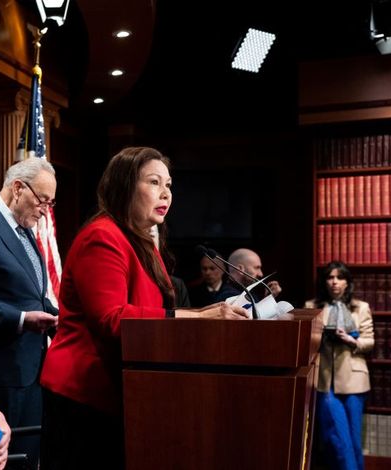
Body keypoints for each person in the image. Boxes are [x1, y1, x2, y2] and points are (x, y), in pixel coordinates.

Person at [39, 147, 248, 469]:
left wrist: (207, 313)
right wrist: (197, 316)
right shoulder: (102, 236)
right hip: (85, 394)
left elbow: (159, 309)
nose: (165, 193)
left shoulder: (141, 241)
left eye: (169, 185)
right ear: (124, 186)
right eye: (154, 182)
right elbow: (112, 318)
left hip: (123, 391)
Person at [0, 157, 59, 469]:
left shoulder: (24, 228)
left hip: (31, 370)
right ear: (17, 188)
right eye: (43, 200)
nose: (45, 211)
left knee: (29, 457)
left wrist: (61, 316)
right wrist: (20, 320)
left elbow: (30, 293)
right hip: (0, 376)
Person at [305, 261, 374, 470]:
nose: (334, 282)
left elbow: (369, 341)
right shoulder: (312, 306)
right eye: (330, 277)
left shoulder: (360, 307)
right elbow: (305, 343)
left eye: (340, 277)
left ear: (347, 282)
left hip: (354, 379)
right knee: (337, 437)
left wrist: (351, 340)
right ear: (325, 281)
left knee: (353, 439)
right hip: (325, 381)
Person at [216, 247, 283, 302]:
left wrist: (268, 297)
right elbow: (253, 317)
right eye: (257, 268)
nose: (261, 274)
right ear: (240, 269)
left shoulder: (246, 291)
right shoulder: (229, 296)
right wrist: (268, 300)